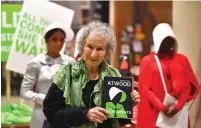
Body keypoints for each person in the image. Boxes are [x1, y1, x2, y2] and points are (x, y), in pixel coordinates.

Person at [43, 21, 140, 128]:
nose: (94, 54)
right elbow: (51, 111)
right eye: (90, 47)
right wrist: (84, 114)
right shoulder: (66, 73)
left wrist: (129, 105)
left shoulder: (114, 75)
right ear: (82, 47)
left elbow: (119, 120)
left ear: (107, 51)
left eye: (100, 49)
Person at [137, 23, 200, 128]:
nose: (167, 42)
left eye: (170, 39)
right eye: (164, 39)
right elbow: (145, 89)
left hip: (178, 114)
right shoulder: (147, 61)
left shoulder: (181, 59)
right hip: (154, 113)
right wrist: (162, 107)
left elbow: (189, 85)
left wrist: (178, 106)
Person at [20, 23, 75, 128]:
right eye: (54, 39)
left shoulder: (70, 62)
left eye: (62, 39)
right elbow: (24, 91)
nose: (59, 43)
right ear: (46, 40)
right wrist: (45, 99)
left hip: (64, 112)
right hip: (42, 112)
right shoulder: (36, 63)